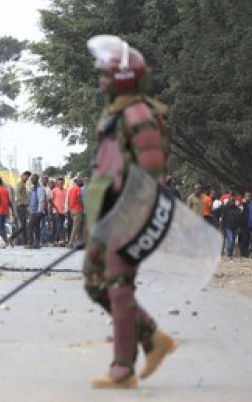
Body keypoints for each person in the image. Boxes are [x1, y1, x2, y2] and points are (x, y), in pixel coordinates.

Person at [83, 35, 175, 388]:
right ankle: (152, 339)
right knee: (95, 282)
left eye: (106, 75)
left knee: (119, 287)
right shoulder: (115, 114)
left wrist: (128, 220)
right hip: (105, 216)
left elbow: (150, 177)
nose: (101, 80)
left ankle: (122, 369)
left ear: (123, 78)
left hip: (128, 216)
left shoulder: (139, 116)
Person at [9, 171, 31, 246]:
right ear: (22, 176)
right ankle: (11, 237)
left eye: (28, 176)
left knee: (24, 225)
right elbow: (18, 194)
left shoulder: (24, 185)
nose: (27, 177)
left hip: (23, 206)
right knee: (23, 226)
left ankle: (25, 242)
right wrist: (24, 202)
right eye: (26, 176)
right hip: (20, 206)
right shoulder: (20, 184)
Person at [27, 173, 45, 249]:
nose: (31, 180)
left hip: (37, 211)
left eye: (33, 179)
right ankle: (37, 244)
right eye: (31, 179)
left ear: (36, 179)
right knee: (36, 228)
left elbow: (41, 200)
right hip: (33, 211)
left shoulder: (40, 188)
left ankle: (31, 243)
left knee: (29, 226)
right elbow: (31, 199)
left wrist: (40, 210)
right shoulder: (32, 188)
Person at [68, 177, 84, 248]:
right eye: (81, 181)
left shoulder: (71, 189)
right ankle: (71, 243)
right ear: (78, 182)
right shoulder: (78, 189)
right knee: (75, 227)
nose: (82, 182)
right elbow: (79, 198)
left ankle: (76, 242)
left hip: (72, 210)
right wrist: (82, 206)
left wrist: (70, 209)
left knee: (77, 227)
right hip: (77, 209)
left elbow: (69, 199)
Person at [239, 192, 252, 258]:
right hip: (243, 226)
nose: (248, 198)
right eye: (247, 196)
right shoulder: (242, 204)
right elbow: (240, 215)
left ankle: (246, 254)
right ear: (245, 197)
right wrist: (240, 225)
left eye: (249, 196)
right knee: (243, 239)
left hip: (250, 225)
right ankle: (243, 254)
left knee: (248, 240)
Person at [51, 177, 67, 245]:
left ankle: (57, 240)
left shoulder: (66, 191)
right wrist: (55, 209)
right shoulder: (54, 190)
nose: (60, 184)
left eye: (61, 183)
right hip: (56, 211)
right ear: (57, 183)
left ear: (63, 183)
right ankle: (62, 239)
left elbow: (67, 201)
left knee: (60, 225)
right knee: (59, 225)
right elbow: (50, 201)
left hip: (63, 212)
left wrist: (66, 210)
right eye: (58, 183)